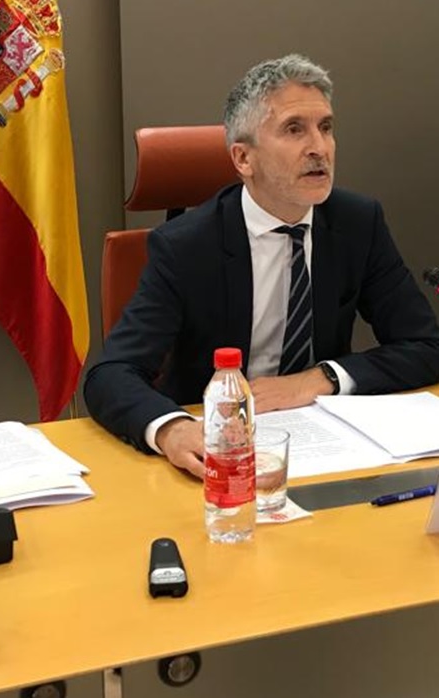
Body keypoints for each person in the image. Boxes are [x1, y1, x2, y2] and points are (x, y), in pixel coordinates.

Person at [84, 54, 439, 478]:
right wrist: (172, 429)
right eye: (294, 129)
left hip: (326, 447)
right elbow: (111, 373)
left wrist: (320, 378)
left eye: (326, 127)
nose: (319, 147)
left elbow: (425, 345)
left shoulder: (358, 224)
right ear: (243, 159)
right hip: (219, 452)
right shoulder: (185, 247)